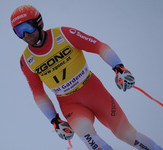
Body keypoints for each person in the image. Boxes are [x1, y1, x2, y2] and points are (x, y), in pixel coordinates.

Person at [10, 5, 162, 150]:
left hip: (95, 93)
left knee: (127, 134)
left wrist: (118, 67)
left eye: (27, 27)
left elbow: (98, 46)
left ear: (38, 22)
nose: (26, 35)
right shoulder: (26, 60)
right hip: (70, 105)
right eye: (19, 31)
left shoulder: (63, 34)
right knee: (93, 144)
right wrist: (54, 120)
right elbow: (38, 94)